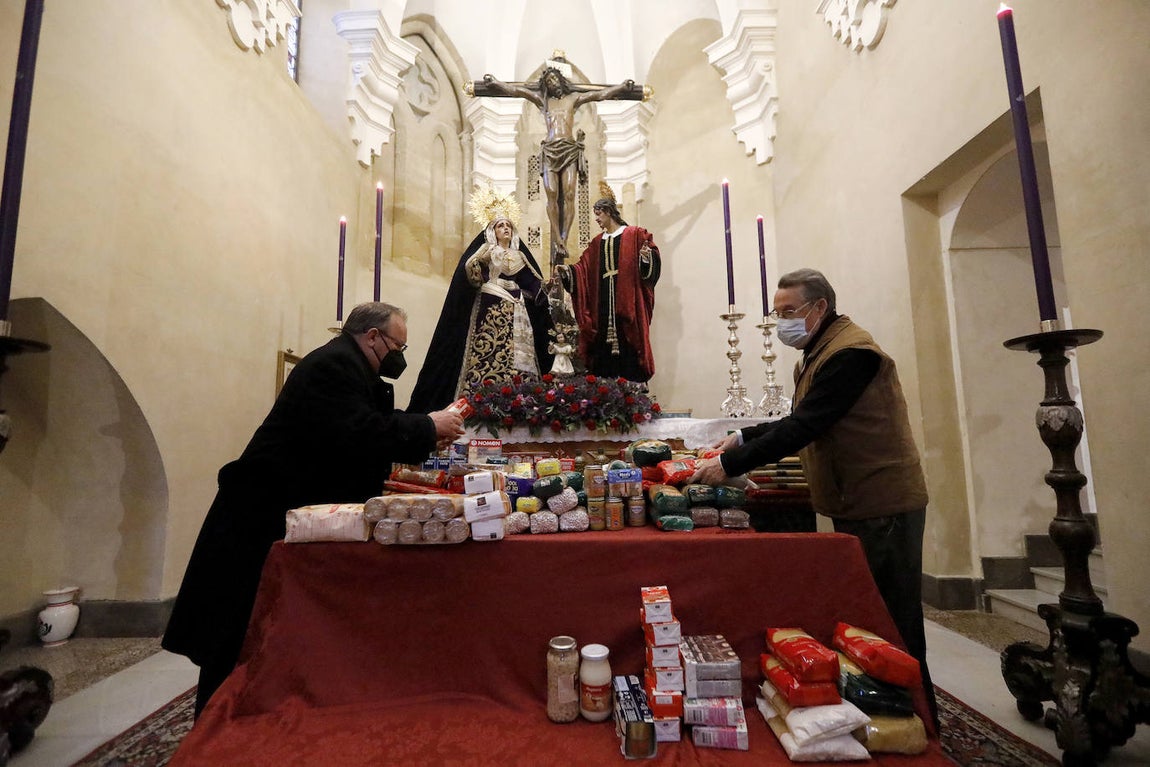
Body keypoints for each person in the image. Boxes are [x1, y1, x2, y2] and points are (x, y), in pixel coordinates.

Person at [162, 302, 465, 717]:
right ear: (372, 337)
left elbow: (366, 427)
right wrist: (428, 426)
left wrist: (425, 433)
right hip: (256, 518)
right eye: (399, 345)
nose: (401, 357)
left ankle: (250, 711)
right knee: (236, 631)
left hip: (276, 511)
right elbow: (362, 431)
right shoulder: (334, 366)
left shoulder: (349, 367)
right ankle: (219, 725)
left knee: (263, 627)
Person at [689, 268, 938, 729]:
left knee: (893, 621)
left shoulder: (852, 354)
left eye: (788, 312)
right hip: (858, 501)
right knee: (870, 618)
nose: (781, 322)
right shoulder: (822, 349)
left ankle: (922, 723)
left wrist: (730, 466)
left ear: (819, 308)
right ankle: (882, 720)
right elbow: (800, 416)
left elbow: (807, 426)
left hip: (882, 503)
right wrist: (742, 437)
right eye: (777, 312)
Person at [468, 59, 647, 261]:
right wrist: (496, 84)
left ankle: (563, 236)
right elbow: (517, 92)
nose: (552, 82)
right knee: (552, 193)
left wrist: (622, 87)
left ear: (561, 80)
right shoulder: (543, 101)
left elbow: (599, 94)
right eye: (548, 80)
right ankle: (558, 241)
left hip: (569, 149)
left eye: (554, 78)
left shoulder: (573, 99)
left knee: (569, 193)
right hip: (550, 150)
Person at [408, 214, 553, 413]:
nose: (505, 229)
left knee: (519, 351)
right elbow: (471, 272)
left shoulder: (520, 256)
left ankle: (522, 395)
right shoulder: (488, 250)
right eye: (500, 226)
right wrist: (478, 263)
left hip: (516, 307)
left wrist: (544, 289)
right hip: (490, 300)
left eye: (508, 226)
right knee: (487, 349)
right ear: (493, 231)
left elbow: (532, 282)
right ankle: (479, 395)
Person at [560, 185, 660, 382]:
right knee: (602, 341)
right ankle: (606, 389)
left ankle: (632, 386)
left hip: (628, 300)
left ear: (608, 212)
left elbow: (651, 263)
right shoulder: (597, 242)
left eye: (598, 214)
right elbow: (583, 268)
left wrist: (646, 258)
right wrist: (568, 272)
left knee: (629, 339)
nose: (596, 219)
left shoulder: (635, 234)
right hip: (602, 303)